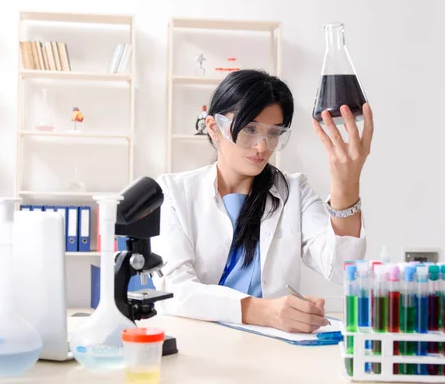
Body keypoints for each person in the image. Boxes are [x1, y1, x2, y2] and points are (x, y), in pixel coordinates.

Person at [152, 69, 373, 333]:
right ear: (214, 128)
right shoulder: (174, 192)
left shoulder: (294, 191)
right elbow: (175, 291)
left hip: (273, 346)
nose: (262, 146)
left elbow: (340, 268)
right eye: (250, 129)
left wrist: (345, 185)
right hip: (200, 342)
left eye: (274, 133)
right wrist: (267, 311)